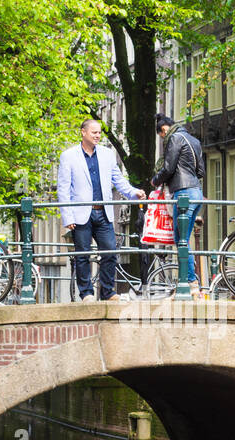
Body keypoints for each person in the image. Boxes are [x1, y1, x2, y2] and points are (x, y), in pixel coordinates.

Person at [57, 119, 146, 301]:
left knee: (110, 251)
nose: (97, 136)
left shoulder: (107, 154)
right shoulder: (69, 156)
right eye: (94, 132)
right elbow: (63, 188)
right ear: (83, 132)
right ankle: (86, 293)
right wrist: (68, 216)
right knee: (82, 255)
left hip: (103, 212)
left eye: (99, 133)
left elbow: (118, 180)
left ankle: (107, 292)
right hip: (81, 213)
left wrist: (133, 192)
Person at [152, 113, 205, 297]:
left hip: (183, 194)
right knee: (185, 239)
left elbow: (168, 168)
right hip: (196, 193)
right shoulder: (194, 140)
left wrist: (156, 181)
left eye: (161, 136)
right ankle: (190, 282)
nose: (163, 138)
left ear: (164, 130)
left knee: (181, 239)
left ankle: (190, 282)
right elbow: (201, 171)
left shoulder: (174, 138)